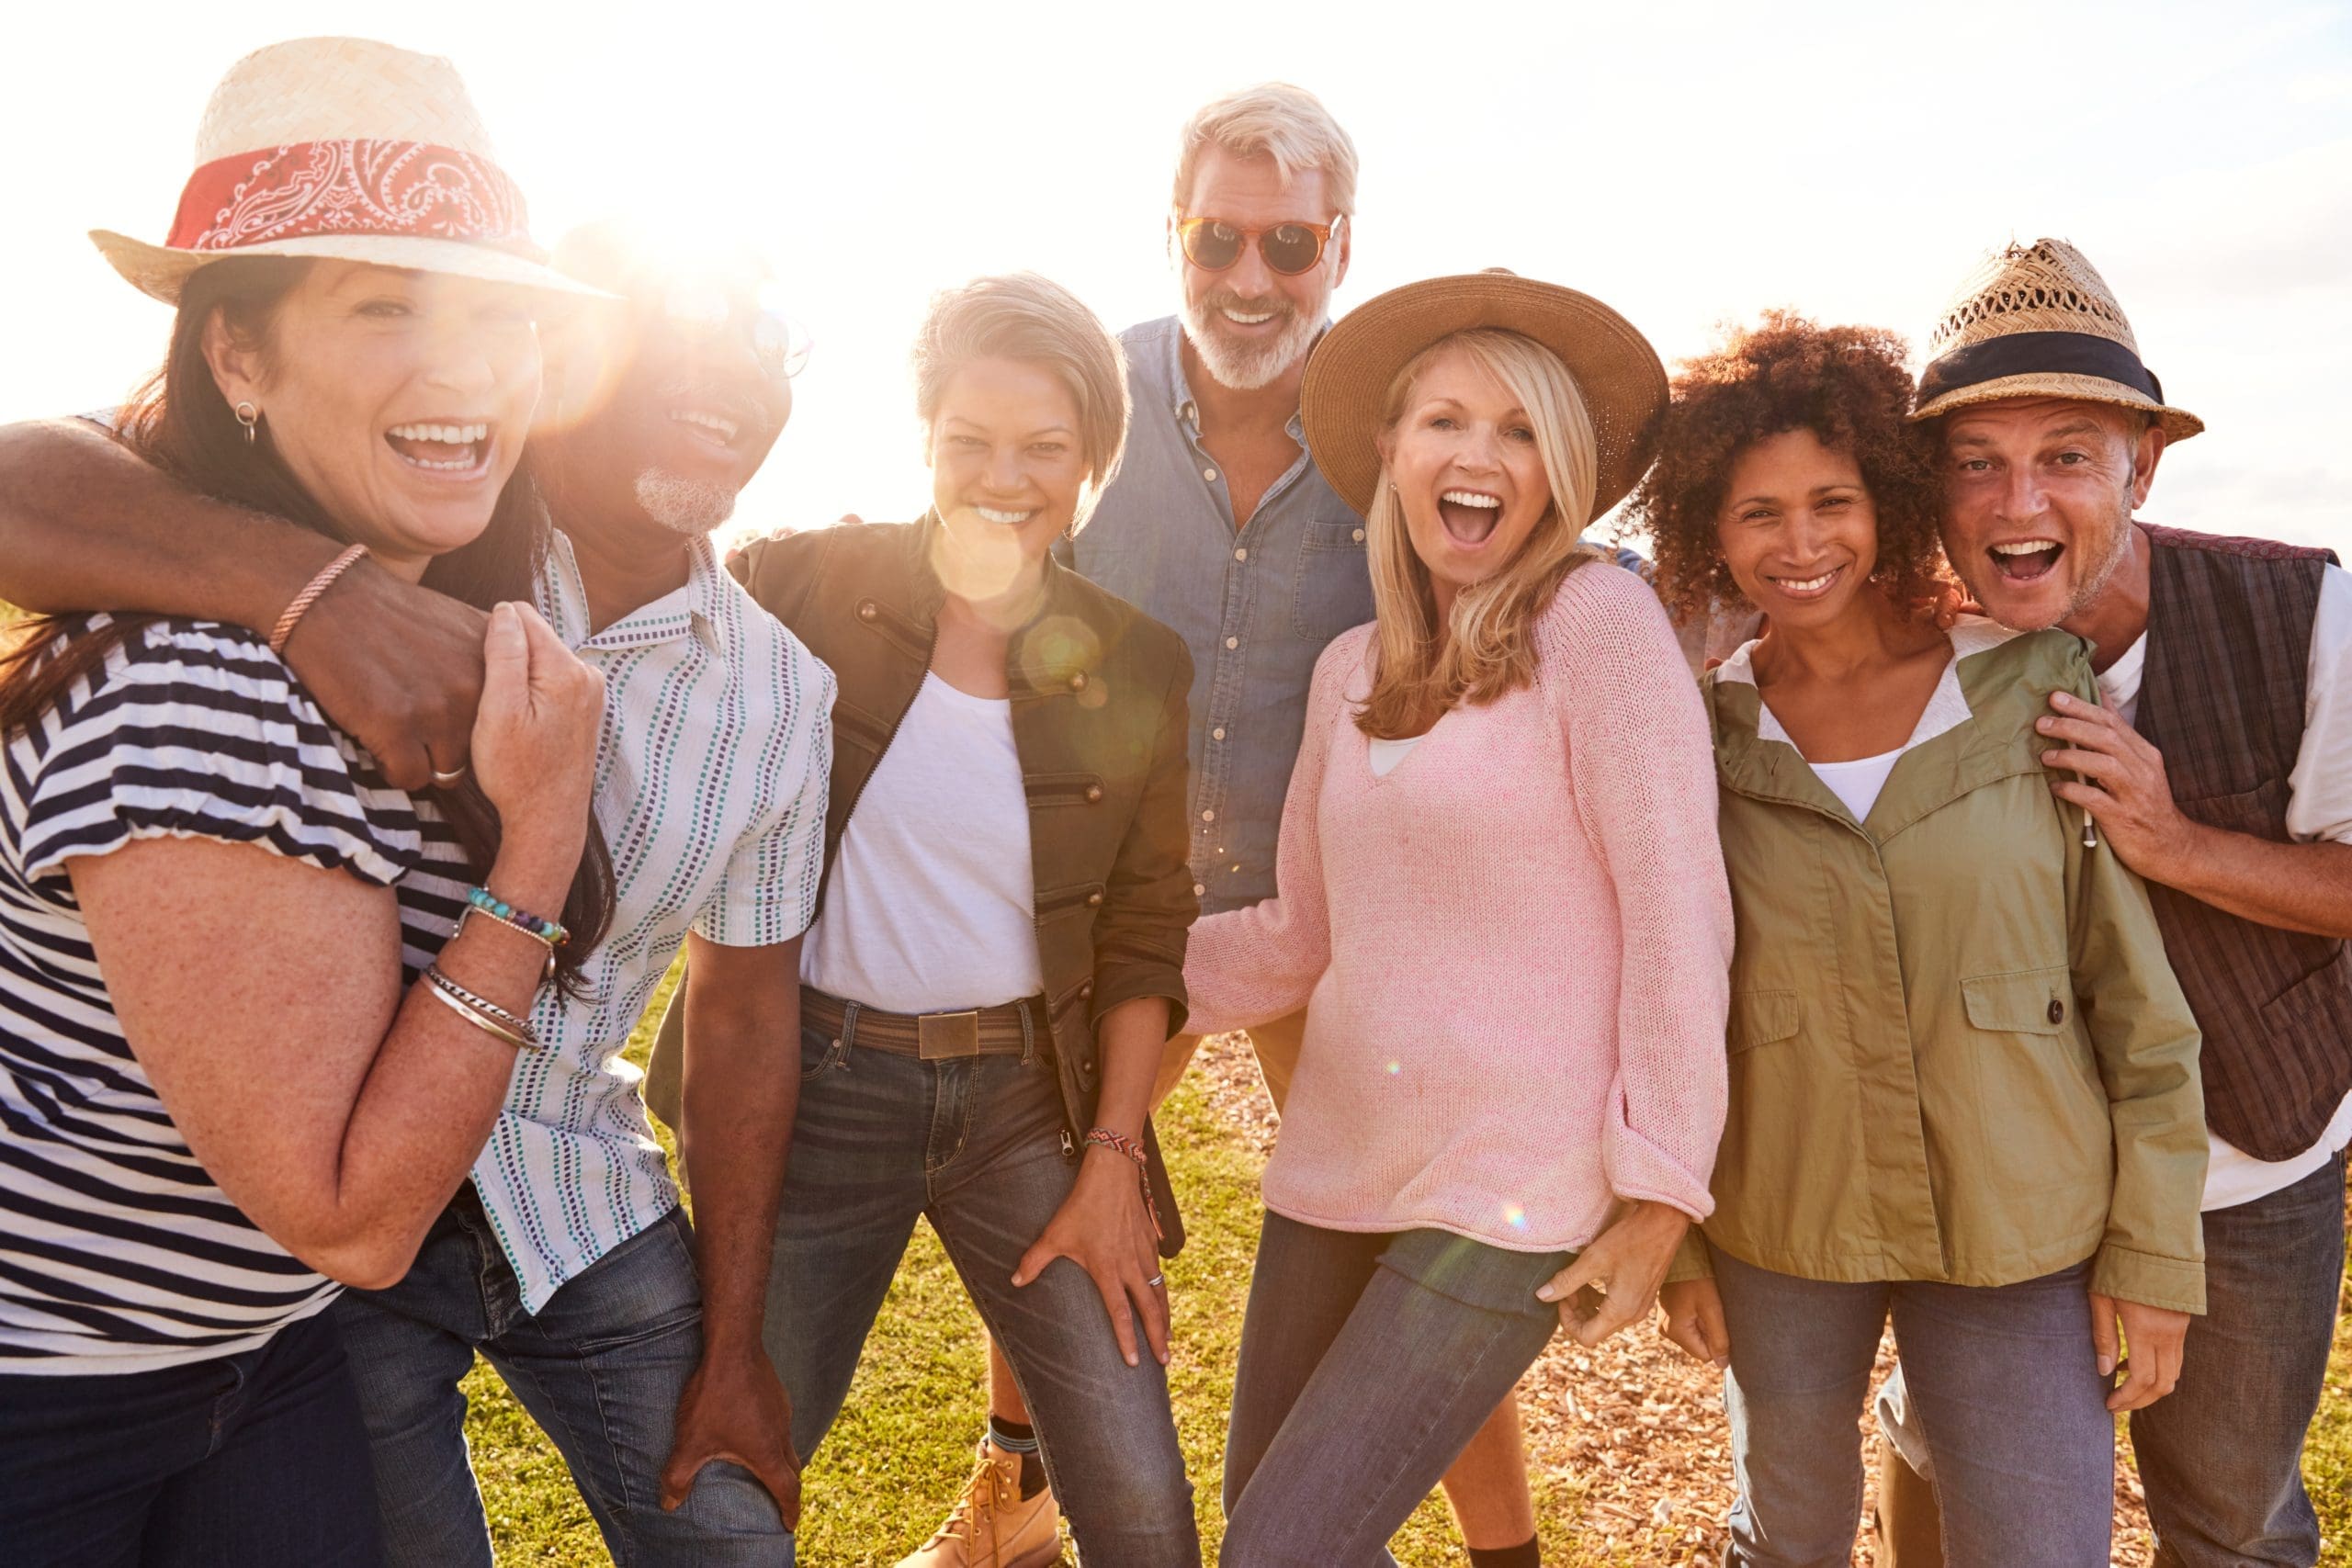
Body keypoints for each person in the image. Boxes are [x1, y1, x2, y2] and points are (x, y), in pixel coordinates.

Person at [0, 63, 832, 1563]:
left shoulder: (462, 553)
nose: (462, 371)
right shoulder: (240, 647)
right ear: (236, 353)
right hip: (91, 1374)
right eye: (384, 306)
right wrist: (534, 829)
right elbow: (355, 1213)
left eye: (501, 318)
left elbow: (750, 1005)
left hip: (281, 1342)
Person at [900, 84, 1543, 1568]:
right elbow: (967, 557)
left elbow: (1537, 536)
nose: (1249, 281)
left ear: (1341, 248)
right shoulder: (1096, 404)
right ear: (1172, 234)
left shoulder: (1397, 427)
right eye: (1216, 240)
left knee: (1404, 1233)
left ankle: (1509, 1554)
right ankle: (1020, 1501)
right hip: (1111, 901)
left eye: (1288, 246)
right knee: (1059, 1187)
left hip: (1331, 906)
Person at [1168, 270, 1732, 1566]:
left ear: (1562, 474)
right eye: (1447, 421)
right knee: (1274, 1530)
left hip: (1514, 1175)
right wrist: (1114, 975)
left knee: (1281, 1553)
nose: (1480, 456)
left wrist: (1660, 1192)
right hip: (1340, 1155)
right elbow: (1297, 937)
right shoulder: (1345, 673)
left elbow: (1676, 912)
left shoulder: (1598, 624)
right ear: (1389, 452)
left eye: (1523, 431)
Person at [1630, 309, 2210, 1565]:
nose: (1800, 544)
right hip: (1781, 1215)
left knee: (2042, 1546)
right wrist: (1670, 1233)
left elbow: (2135, 998)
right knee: (1788, 1537)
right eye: (1756, 513)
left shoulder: (2027, 685)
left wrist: (2155, 1250)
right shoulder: (1697, 737)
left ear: (1885, 498)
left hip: (2021, 1224)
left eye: (1830, 501)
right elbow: (1662, 994)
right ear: (1706, 534)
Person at [644, 272, 1203, 1565]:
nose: (1002, 477)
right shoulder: (800, 585)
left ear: (1092, 468)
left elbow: (1146, 928)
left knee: (1143, 1513)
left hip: (1027, 1113)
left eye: (1044, 450)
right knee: (725, 1483)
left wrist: (1115, 1159)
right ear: (927, 441)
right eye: (969, 443)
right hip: (817, 1092)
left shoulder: (1142, 662)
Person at [1869, 240, 2352, 1568]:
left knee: (2233, 1524)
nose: (2020, 497)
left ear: (2142, 467)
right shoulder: (1896, 651)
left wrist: (2177, 840)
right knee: (1941, 1458)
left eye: (2069, 454)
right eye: (1977, 460)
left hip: (2248, 1168)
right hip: (2006, 1167)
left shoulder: (2301, 609)